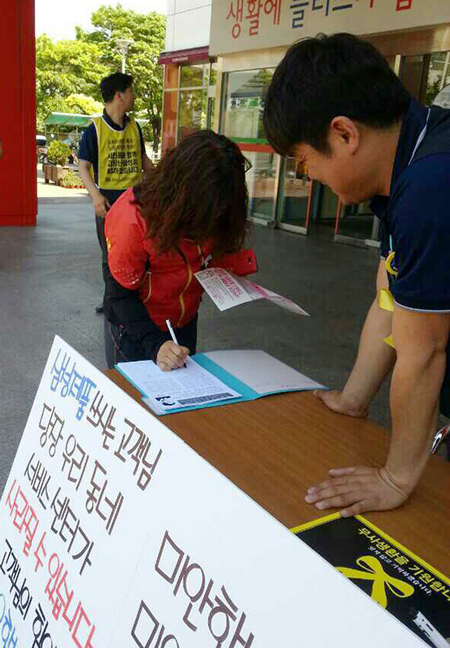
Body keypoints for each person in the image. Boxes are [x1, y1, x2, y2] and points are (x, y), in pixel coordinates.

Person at [263, 33, 450, 516]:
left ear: (345, 134)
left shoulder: (432, 184)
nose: (308, 177)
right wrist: (353, 398)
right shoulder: (406, 167)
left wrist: (395, 477)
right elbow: (390, 298)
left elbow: (424, 352)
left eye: (305, 162)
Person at [104, 130, 257, 371]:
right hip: (136, 331)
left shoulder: (214, 206)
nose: (210, 223)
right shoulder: (133, 220)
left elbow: (212, 253)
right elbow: (119, 296)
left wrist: (234, 268)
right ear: (182, 195)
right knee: (134, 394)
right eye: (205, 214)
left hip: (183, 324)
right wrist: (155, 344)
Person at [78, 72, 152, 314]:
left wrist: (162, 180)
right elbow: (83, 167)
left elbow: (144, 162)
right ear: (119, 95)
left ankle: (136, 297)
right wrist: (95, 196)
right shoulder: (95, 130)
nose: (134, 96)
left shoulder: (135, 128)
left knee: (140, 251)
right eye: (131, 91)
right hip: (108, 202)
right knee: (109, 254)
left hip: (135, 201)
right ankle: (112, 300)